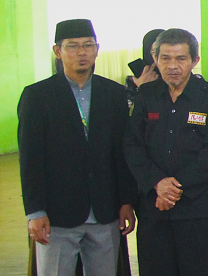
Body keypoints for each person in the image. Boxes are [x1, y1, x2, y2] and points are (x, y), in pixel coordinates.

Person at [20, 19, 137, 276]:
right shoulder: (37, 96)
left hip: (105, 211)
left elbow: (122, 153)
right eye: (72, 46)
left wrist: (126, 200)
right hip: (57, 214)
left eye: (88, 45)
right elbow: (30, 158)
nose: (81, 52)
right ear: (58, 51)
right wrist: (35, 211)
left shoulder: (114, 94)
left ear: (97, 50)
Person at [124, 29, 208, 276]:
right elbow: (133, 146)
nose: (172, 66)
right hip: (155, 209)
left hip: (200, 210)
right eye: (165, 58)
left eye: (181, 58)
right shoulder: (146, 96)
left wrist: (174, 187)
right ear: (156, 59)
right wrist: (157, 183)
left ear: (194, 60)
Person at [126, 29, 166, 100]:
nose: (162, 56)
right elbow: (131, 105)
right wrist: (141, 88)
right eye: (155, 51)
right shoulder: (136, 80)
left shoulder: (181, 76)